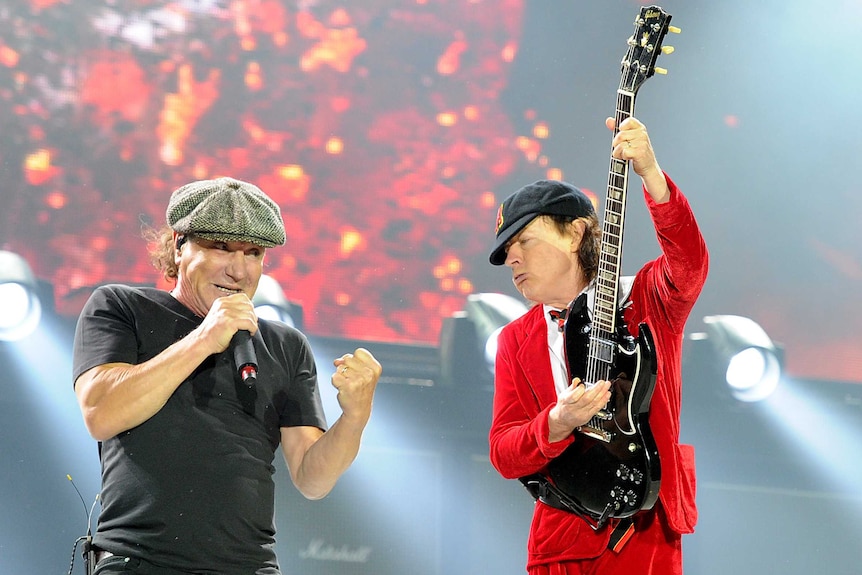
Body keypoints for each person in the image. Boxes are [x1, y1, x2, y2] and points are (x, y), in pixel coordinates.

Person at [72, 176, 382, 575]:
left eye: (253, 253)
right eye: (220, 247)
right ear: (179, 243)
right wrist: (204, 337)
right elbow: (101, 412)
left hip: (249, 567)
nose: (238, 270)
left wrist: (355, 417)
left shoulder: (286, 346)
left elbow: (312, 478)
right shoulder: (120, 307)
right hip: (139, 562)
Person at [487, 116, 709, 575]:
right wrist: (556, 422)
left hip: (645, 530)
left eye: (525, 241)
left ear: (575, 233)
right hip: (561, 542)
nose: (513, 259)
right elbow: (504, 452)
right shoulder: (515, 338)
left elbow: (689, 261)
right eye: (508, 253)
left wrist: (650, 173)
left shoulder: (645, 298)